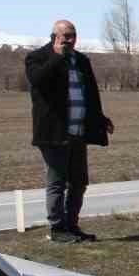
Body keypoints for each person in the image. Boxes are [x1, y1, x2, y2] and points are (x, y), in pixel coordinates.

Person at [25, 20, 114, 244]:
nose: (69, 40)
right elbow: (38, 81)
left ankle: (72, 226)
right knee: (57, 182)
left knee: (79, 182)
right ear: (53, 36)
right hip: (53, 133)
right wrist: (56, 57)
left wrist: (100, 119)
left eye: (73, 35)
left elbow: (90, 95)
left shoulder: (82, 61)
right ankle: (57, 229)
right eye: (65, 36)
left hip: (78, 132)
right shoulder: (37, 58)